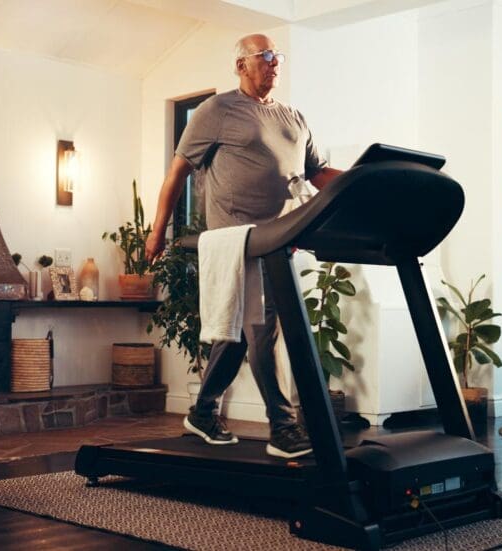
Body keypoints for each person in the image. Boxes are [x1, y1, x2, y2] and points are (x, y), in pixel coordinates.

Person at [145, 34, 343, 459]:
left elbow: (318, 173)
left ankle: (202, 412)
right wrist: (157, 230)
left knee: (237, 335)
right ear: (241, 65)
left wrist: (361, 180)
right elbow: (178, 171)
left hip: (282, 240)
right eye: (265, 56)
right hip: (239, 240)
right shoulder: (217, 110)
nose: (275, 62)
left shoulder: (294, 117)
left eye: (277, 56)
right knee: (263, 329)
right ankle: (283, 428)